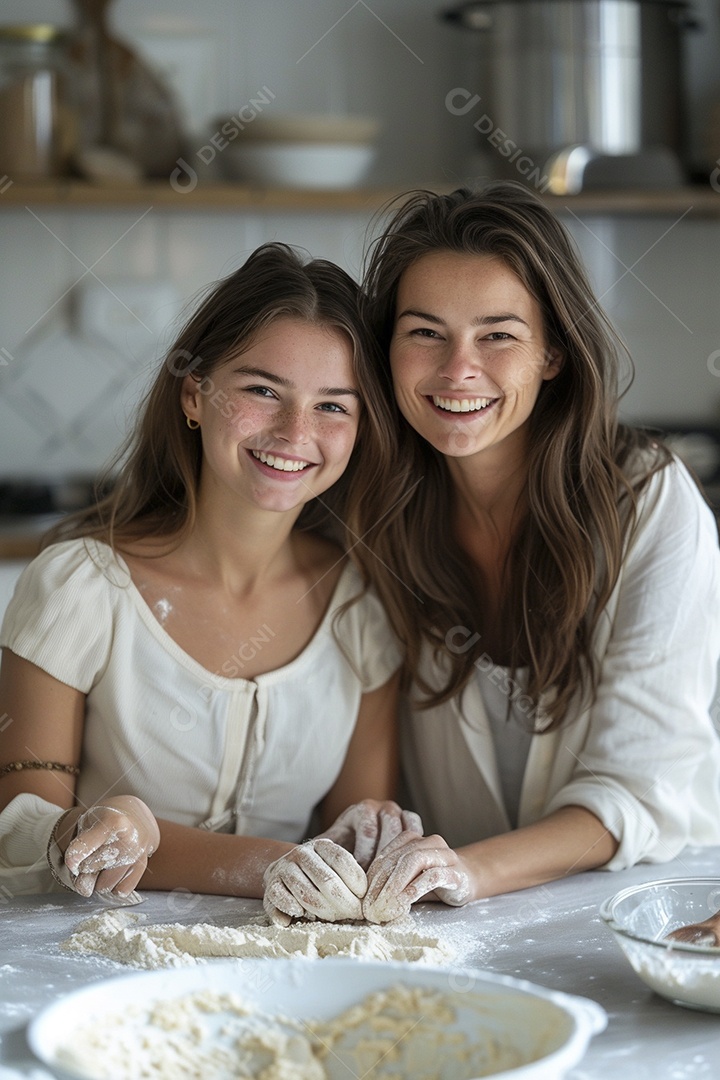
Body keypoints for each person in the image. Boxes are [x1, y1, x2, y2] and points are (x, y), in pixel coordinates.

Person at [0, 242, 415, 919]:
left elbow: (348, 837)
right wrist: (78, 830)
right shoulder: (78, 586)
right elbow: (15, 828)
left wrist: (378, 838)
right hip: (85, 962)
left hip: (290, 961)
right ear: (194, 394)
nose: (294, 431)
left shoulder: (360, 605)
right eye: (261, 391)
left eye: (333, 407)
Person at [350, 181, 720, 923]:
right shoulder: (369, 508)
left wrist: (463, 871)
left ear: (552, 351)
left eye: (498, 335)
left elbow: (636, 789)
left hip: (639, 914)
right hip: (445, 921)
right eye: (425, 332)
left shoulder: (647, 501)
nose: (459, 370)